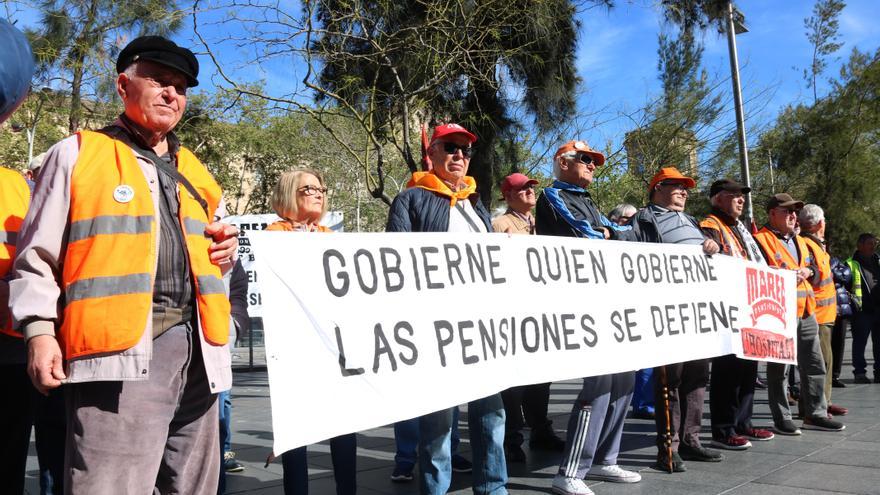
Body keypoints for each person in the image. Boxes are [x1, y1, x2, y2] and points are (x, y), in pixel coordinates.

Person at [10, 36, 239, 494]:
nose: (172, 94)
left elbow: (212, 261)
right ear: (123, 85)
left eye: (181, 86)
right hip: (119, 357)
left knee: (195, 488)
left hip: (202, 358)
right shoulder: (76, 154)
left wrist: (225, 255)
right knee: (110, 487)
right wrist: (38, 334)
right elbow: (35, 256)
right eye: (158, 80)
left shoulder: (196, 171)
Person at [386, 123, 507, 495]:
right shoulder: (410, 199)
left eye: (466, 151)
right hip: (438, 327)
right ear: (433, 153)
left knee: (491, 413)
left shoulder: (475, 203)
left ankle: (493, 488)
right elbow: (396, 260)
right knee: (438, 424)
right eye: (451, 148)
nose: (460, 156)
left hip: (483, 327)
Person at [536, 140, 640, 495]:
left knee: (624, 380)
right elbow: (587, 234)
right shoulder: (552, 196)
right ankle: (571, 470)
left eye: (595, 161)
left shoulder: (588, 201)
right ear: (563, 163)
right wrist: (613, 232)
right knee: (598, 384)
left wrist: (614, 232)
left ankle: (606, 459)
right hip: (580, 299)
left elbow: (627, 233)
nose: (593, 165)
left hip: (607, 297)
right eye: (585, 159)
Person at [269, 169, 357, 495]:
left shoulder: (330, 237)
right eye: (309, 189)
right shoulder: (273, 236)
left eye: (321, 188)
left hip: (334, 349)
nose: (318, 193)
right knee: (298, 433)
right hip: (295, 351)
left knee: (344, 428)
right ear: (290, 193)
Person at [629, 167, 723, 472]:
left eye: (686, 187)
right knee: (671, 380)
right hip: (668, 311)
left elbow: (709, 250)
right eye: (676, 186)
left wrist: (712, 245)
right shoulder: (643, 218)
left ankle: (691, 440)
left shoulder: (692, 220)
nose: (683, 191)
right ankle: (667, 449)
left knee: (697, 377)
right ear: (658, 189)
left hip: (697, 311)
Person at [753, 193, 845, 434]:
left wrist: (807, 271)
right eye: (787, 211)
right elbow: (755, 272)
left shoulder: (799, 240)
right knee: (779, 370)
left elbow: (814, 269)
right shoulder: (760, 240)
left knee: (815, 364)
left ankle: (815, 413)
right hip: (778, 314)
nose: (793, 216)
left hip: (806, 312)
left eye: (795, 211)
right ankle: (782, 417)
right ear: (772, 214)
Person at [493, 172, 566, 463]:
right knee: (514, 381)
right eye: (522, 190)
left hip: (541, 310)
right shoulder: (500, 226)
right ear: (508, 196)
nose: (529, 193)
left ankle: (540, 430)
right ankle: (511, 439)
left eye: (531, 189)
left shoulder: (541, 225)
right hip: (514, 311)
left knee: (541, 377)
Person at [699, 179, 775, 451]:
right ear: (717, 198)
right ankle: (723, 429)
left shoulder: (740, 228)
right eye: (734, 195)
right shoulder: (711, 225)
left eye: (742, 196)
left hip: (749, 306)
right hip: (728, 307)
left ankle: (743, 423)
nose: (741, 200)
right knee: (728, 372)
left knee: (748, 370)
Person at [799, 204, 848, 416]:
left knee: (826, 362)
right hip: (816, 314)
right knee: (819, 364)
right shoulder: (808, 244)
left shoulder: (818, 244)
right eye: (825, 220)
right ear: (820, 223)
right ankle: (815, 406)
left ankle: (824, 402)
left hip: (825, 314)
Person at [218, 258, 251, 494]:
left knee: (222, 403)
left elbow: (238, 288)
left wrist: (235, 324)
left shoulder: (228, 249)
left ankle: (224, 453)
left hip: (217, 344)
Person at [849, 233, 880, 384]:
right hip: (862, 310)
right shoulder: (851, 263)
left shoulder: (878, 260)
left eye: (874, 243)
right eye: (869, 243)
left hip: (878, 308)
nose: (873, 246)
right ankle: (860, 373)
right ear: (859, 245)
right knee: (860, 342)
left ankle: (879, 372)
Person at [829, 255, 857, 388]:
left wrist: (832, 270)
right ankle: (826, 376)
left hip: (842, 308)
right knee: (825, 346)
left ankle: (835, 376)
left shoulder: (835, 261)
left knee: (839, 344)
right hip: (826, 309)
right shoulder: (814, 260)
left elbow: (845, 276)